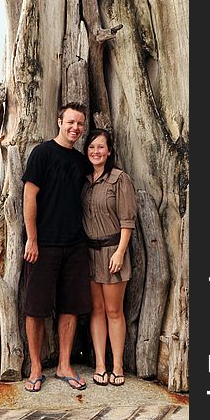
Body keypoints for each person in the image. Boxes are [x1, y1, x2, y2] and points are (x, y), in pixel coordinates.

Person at [22, 102, 92, 392]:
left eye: (79, 124)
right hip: (44, 245)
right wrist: (32, 238)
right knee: (36, 308)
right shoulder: (42, 153)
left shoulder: (80, 162)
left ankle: (64, 365)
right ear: (59, 121)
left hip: (75, 244)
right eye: (70, 122)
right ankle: (36, 368)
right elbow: (29, 196)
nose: (75, 128)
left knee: (70, 307)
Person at [81, 128, 137, 387]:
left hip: (113, 252)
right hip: (90, 253)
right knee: (97, 310)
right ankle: (100, 365)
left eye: (100, 147)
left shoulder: (119, 179)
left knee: (114, 311)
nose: (96, 151)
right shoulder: (85, 180)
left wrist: (120, 252)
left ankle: (117, 365)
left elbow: (127, 221)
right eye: (92, 147)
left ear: (109, 151)